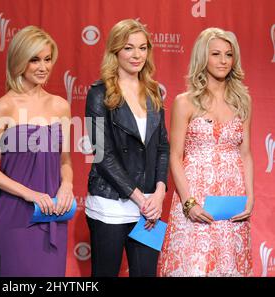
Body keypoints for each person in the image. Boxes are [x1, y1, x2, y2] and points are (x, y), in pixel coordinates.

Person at [0, 25, 73, 277]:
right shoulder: (3, 106)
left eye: (48, 59)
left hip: (52, 214)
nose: (43, 67)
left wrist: (67, 186)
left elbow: (65, 160)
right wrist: (29, 194)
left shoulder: (60, 106)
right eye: (35, 60)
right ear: (20, 61)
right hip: (16, 215)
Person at [159, 27, 253, 276]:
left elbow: (246, 154)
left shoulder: (242, 100)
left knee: (227, 266)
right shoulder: (184, 101)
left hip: (232, 201)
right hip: (195, 198)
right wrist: (189, 203)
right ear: (203, 57)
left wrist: (250, 198)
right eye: (216, 54)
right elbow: (175, 156)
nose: (223, 61)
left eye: (228, 55)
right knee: (194, 266)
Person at [84, 19, 169, 277]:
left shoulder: (154, 91)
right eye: (129, 48)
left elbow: (163, 147)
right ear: (115, 51)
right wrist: (140, 198)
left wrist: (160, 192)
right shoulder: (98, 94)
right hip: (110, 204)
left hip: (148, 208)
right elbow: (102, 154)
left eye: (142, 48)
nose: (137, 55)